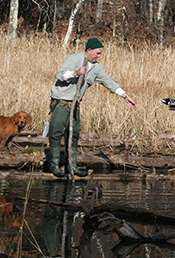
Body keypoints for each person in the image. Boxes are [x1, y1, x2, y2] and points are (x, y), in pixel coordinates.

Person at [48, 37, 137, 177]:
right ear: (88, 50)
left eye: (100, 53)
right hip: (61, 101)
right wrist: (76, 73)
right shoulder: (74, 59)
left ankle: (71, 167)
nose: (99, 56)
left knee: (74, 134)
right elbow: (60, 75)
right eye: (97, 53)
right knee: (56, 132)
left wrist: (125, 96)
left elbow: (109, 82)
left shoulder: (96, 67)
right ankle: (54, 166)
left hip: (75, 103)